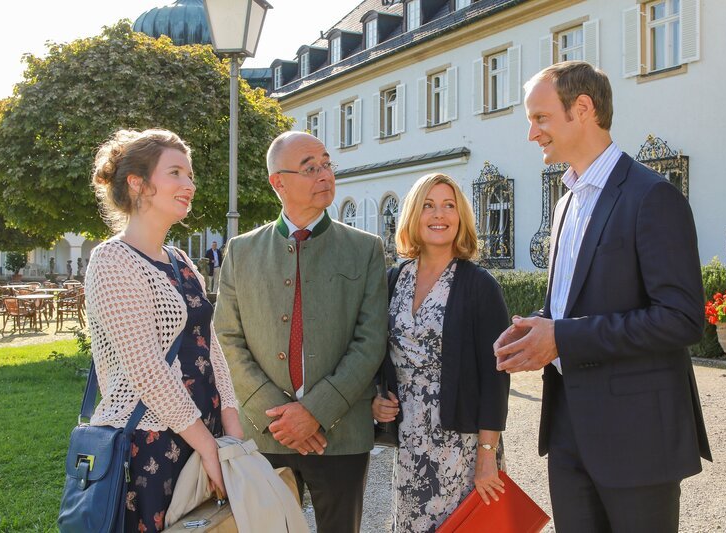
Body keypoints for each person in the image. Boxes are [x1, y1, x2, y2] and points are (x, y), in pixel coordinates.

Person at [494, 61, 712, 532]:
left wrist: (563, 338)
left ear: (583, 109)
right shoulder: (566, 201)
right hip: (568, 432)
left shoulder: (652, 196)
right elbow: (570, 309)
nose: (532, 133)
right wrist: (534, 330)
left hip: (638, 438)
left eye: (540, 118)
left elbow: (681, 319)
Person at [213, 131, 388, 533]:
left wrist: (315, 412)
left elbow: (371, 340)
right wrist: (276, 415)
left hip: (340, 435)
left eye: (327, 163)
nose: (325, 174)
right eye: (311, 168)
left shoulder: (365, 248)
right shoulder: (241, 252)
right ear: (279, 182)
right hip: (265, 433)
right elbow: (227, 338)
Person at [85, 129, 244, 532]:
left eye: (189, 175)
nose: (189, 185)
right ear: (139, 184)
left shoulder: (179, 260)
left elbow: (208, 346)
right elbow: (146, 369)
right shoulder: (112, 262)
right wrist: (207, 445)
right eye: (176, 173)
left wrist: (230, 420)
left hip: (202, 431)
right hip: (151, 440)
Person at [372, 173, 510, 532]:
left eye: (449, 206)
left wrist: (486, 455)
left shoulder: (480, 286)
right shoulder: (393, 279)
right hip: (410, 441)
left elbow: (497, 378)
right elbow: (379, 353)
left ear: (461, 216)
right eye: (429, 206)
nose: (440, 215)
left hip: (462, 445)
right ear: (414, 216)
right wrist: (377, 398)